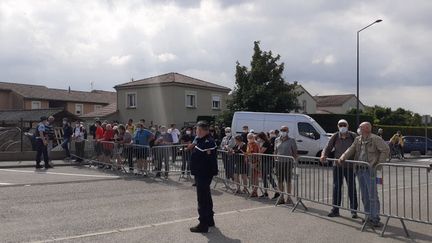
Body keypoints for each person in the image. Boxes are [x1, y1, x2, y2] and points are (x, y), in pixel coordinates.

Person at [339, 122, 389, 228]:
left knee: (372, 195)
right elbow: (351, 149)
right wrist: (343, 156)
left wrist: (378, 165)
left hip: (370, 170)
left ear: (367, 128)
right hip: (360, 170)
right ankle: (368, 217)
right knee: (365, 195)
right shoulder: (358, 139)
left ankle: (375, 218)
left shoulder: (375, 139)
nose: (359, 129)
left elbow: (385, 150)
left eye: (360, 127)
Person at [320, 119, 358, 218]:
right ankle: (335, 209)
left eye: (344, 124)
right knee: (336, 187)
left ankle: (354, 210)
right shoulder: (335, 136)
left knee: (352, 188)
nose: (342, 126)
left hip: (350, 166)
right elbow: (328, 147)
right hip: (337, 166)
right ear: (337, 126)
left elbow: (359, 148)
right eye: (340, 125)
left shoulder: (353, 136)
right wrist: (323, 155)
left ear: (348, 126)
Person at [189, 121, 218, 233]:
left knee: (202, 199)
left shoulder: (207, 142)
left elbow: (207, 158)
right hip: (201, 173)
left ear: (204, 131)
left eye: (199, 130)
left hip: (203, 173)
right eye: (197, 130)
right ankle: (210, 220)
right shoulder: (201, 140)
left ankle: (203, 224)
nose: (197, 132)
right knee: (206, 197)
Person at [274, 126, 297, 205]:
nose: (283, 131)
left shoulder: (291, 140)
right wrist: (275, 160)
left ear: (288, 131)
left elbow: (294, 152)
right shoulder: (277, 140)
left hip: (288, 162)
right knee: (280, 180)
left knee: (288, 181)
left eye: (284, 130)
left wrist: (295, 162)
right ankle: (281, 196)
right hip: (279, 163)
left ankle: (289, 197)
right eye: (281, 130)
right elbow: (275, 151)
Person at [257, 132, 276, 199]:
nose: (258, 139)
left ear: (261, 137)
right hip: (263, 161)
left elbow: (261, 151)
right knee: (264, 176)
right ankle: (265, 192)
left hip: (268, 161)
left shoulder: (266, 143)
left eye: (258, 138)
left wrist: (259, 145)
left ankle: (277, 192)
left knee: (269, 176)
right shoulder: (263, 143)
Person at [246, 133, 260, 197]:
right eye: (248, 138)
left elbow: (258, 154)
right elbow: (248, 152)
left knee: (255, 178)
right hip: (250, 162)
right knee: (251, 177)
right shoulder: (248, 144)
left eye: (250, 137)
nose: (249, 139)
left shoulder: (256, 144)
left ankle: (255, 191)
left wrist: (256, 163)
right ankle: (253, 191)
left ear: (253, 138)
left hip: (255, 163)